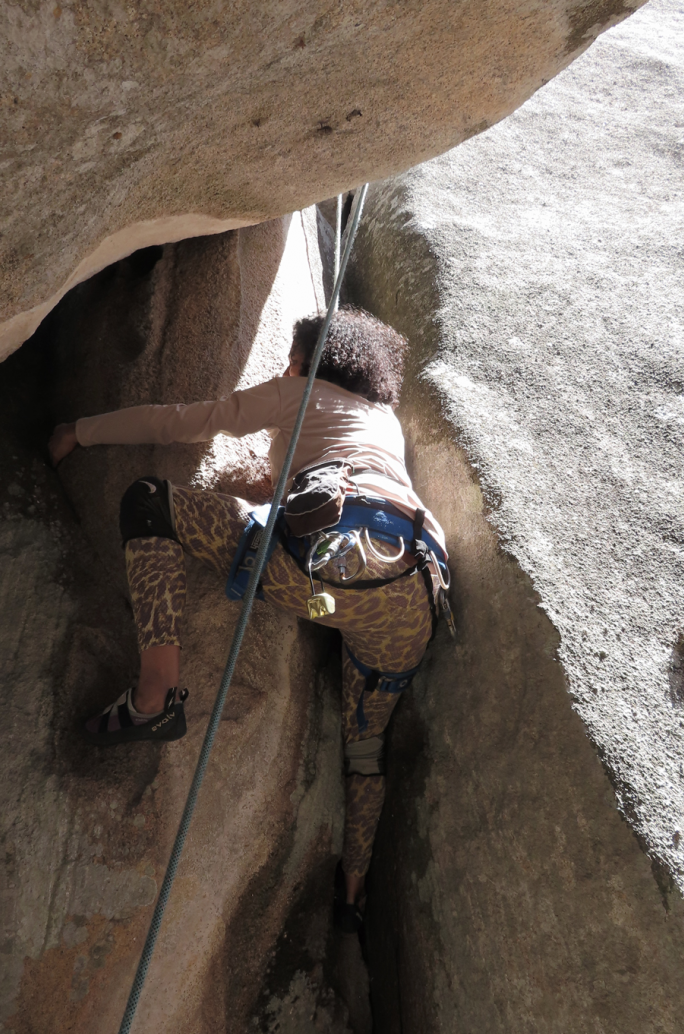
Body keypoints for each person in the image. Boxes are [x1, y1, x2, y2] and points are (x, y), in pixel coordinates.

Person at [48, 308, 448, 932]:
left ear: (308, 359)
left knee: (147, 504)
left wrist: (81, 429)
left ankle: (154, 694)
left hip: (323, 569)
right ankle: (352, 890)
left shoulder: (298, 388)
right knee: (364, 747)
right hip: (408, 595)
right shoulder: (384, 422)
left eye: (292, 357)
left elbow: (188, 422)